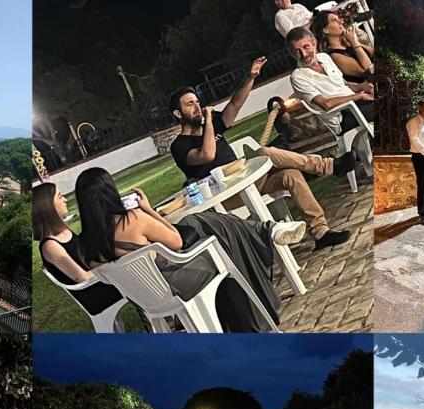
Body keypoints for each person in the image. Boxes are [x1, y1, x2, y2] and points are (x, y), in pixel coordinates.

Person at [168, 57, 354, 251]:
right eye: (190, 104)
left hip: (250, 179)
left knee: (292, 176)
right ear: (178, 114)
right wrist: (207, 123)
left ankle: (321, 232)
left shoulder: (213, 122)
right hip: (228, 194)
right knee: (265, 152)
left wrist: (251, 77)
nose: (197, 107)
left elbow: (235, 104)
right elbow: (207, 155)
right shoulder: (179, 146)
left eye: (197, 102)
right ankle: (328, 166)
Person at [75, 167, 287, 332]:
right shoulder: (132, 220)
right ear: (109, 193)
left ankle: (264, 230)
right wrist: (148, 210)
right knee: (221, 241)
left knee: (196, 222)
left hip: (149, 299)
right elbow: (176, 241)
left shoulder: (84, 246)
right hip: (177, 283)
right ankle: (265, 231)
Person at [33, 181, 130, 327]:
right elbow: (81, 277)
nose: (65, 200)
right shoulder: (50, 245)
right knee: (138, 276)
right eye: (60, 197)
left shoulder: (64, 232)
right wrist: (114, 270)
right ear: (48, 206)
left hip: (100, 283)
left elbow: (88, 257)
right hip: (94, 293)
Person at [287, 27, 375, 135]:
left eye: (306, 47)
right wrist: (359, 95)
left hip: (357, 104)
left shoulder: (324, 57)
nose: (304, 54)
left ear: (314, 43)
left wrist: (364, 86)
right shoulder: (298, 77)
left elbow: (344, 84)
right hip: (343, 117)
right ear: (292, 54)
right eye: (297, 52)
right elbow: (326, 104)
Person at [310, 11, 373, 84]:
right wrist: (355, 43)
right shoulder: (335, 55)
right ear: (325, 30)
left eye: (339, 19)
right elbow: (370, 70)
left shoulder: (348, 43)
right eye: (334, 20)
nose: (341, 21)